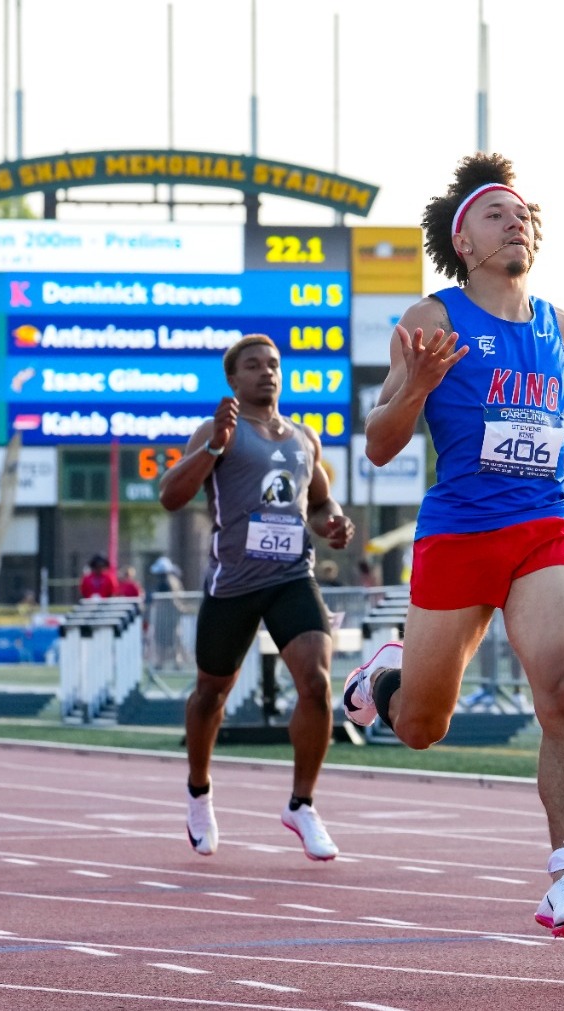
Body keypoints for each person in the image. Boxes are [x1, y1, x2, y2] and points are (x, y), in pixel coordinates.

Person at [340, 154, 564, 942]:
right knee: (423, 727)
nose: (517, 221)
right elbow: (379, 444)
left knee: (563, 690)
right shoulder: (430, 321)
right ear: (464, 241)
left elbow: (542, 444)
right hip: (458, 530)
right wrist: (420, 385)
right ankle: (384, 676)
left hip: (539, 526)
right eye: (497, 214)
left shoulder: (562, 329)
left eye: (524, 212)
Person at [159, 334, 355, 863]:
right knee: (210, 695)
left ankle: (302, 804)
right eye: (253, 366)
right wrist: (215, 446)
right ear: (233, 379)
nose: (267, 373)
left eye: (273, 364)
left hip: (292, 575)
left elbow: (317, 502)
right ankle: (199, 792)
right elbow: (171, 496)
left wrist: (331, 523)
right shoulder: (217, 430)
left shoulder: (302, 437)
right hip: (234, 583)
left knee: (315, 683)